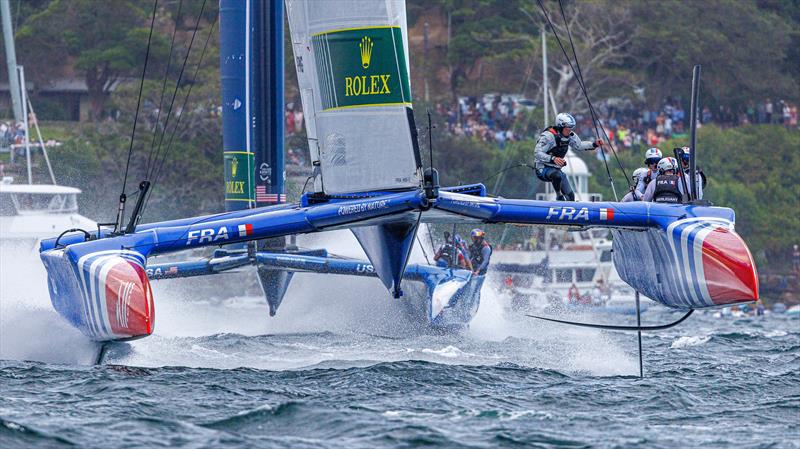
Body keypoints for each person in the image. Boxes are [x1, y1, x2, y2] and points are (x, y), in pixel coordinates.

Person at [533, 113, 604, 201]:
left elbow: (580, 145)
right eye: (568, 128)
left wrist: (594, 144)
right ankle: (559, 196)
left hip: (556, 169)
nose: (570, 130)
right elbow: (537, 153)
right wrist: (553, 158)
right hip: (542, 169)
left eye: (571, 128)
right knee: (557, 176)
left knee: (571, 198)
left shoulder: (570, 136)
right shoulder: (548, 136)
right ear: (560, 126)